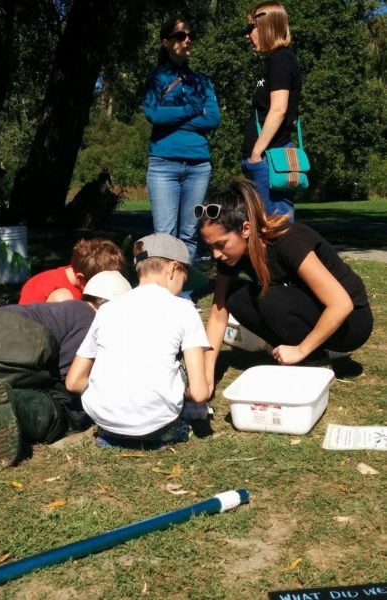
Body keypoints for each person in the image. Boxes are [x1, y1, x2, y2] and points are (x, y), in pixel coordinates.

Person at [196, 178, 373, 395]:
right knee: (235, 297)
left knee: (270, 299)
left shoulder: (289, 240)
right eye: (210, 246)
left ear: (245, 229)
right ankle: (300, 352)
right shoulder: (230, 255)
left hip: (351, 322)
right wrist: (205, 376)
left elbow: (341, 304)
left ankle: (313, 359)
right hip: (312, 311)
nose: (215, 254)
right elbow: (217, 313)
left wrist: (300, 350)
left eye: (220, 245)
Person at [0, 271, 132, 466]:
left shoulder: (69, 308)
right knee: (64, 407)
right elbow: (68, 379)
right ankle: (16, 407)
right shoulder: (90, 322)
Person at [66, 233, 210, 448]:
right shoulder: (184, 309)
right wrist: (184, 392)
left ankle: (112, 434)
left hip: (105, 421)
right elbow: (200, 393)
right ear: (173, 268)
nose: (183, 288)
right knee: (177, 366)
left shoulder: (107, 309)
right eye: (184, 279)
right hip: (157, 425)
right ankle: (167, 431)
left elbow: (73, 382)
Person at [143, 18, 220, 266]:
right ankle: (165, 293)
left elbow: (213, 119)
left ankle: (183, 290)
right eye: (180, 36)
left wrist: (172, 118)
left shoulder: (202, 81)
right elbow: (154, 114)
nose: (187, 39)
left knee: (189, 234)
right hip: (164, 164)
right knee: (165, 235)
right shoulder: (156, 78)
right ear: (166, 43)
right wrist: (192, 109)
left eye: (190, 35)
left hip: (199, 166)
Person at [241, 1, 301, 220]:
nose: (247, 35)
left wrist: (256, 153)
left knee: (278, 229)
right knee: (268, 230)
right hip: (265, 159)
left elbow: (278, 110)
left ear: (266, 26)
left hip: (268, 159)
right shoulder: (274, 61)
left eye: (250, 28)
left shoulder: (280, 59)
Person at [18, 238, 127, 304]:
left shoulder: (86, 278)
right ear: (80, 278)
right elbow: (23, 327)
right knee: (63, 299)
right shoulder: (40, 287)